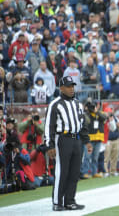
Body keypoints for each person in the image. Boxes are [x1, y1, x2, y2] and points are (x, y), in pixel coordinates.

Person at [43, 76, 92, 211]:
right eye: (69, 86)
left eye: (73, 86)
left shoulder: (78, 103)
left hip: (76, 139)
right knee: (62, 171)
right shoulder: (55, 104)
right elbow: (49, 126)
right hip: (62, 139)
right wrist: (50, 145)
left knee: (75, 172)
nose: (72, 89)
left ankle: (70, 200)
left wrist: (86, 141)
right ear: (62, 88)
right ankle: (57, 202)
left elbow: (82, 125)